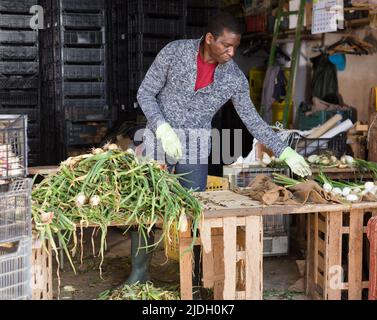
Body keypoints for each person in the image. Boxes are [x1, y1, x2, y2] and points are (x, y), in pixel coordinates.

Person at [125, 12, 311, 293]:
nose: (231, 52)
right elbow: (145, 93)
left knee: (194, 214)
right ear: (209, 39)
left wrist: (284, 151)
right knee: (145, 210)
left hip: (196, 151)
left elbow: (252, 119)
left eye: (235, 46)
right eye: (225, 45)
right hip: (156, 142)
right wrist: (162, 127)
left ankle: (196, 280)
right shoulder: (175, 52)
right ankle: (139, 275)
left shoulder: (233, 77)